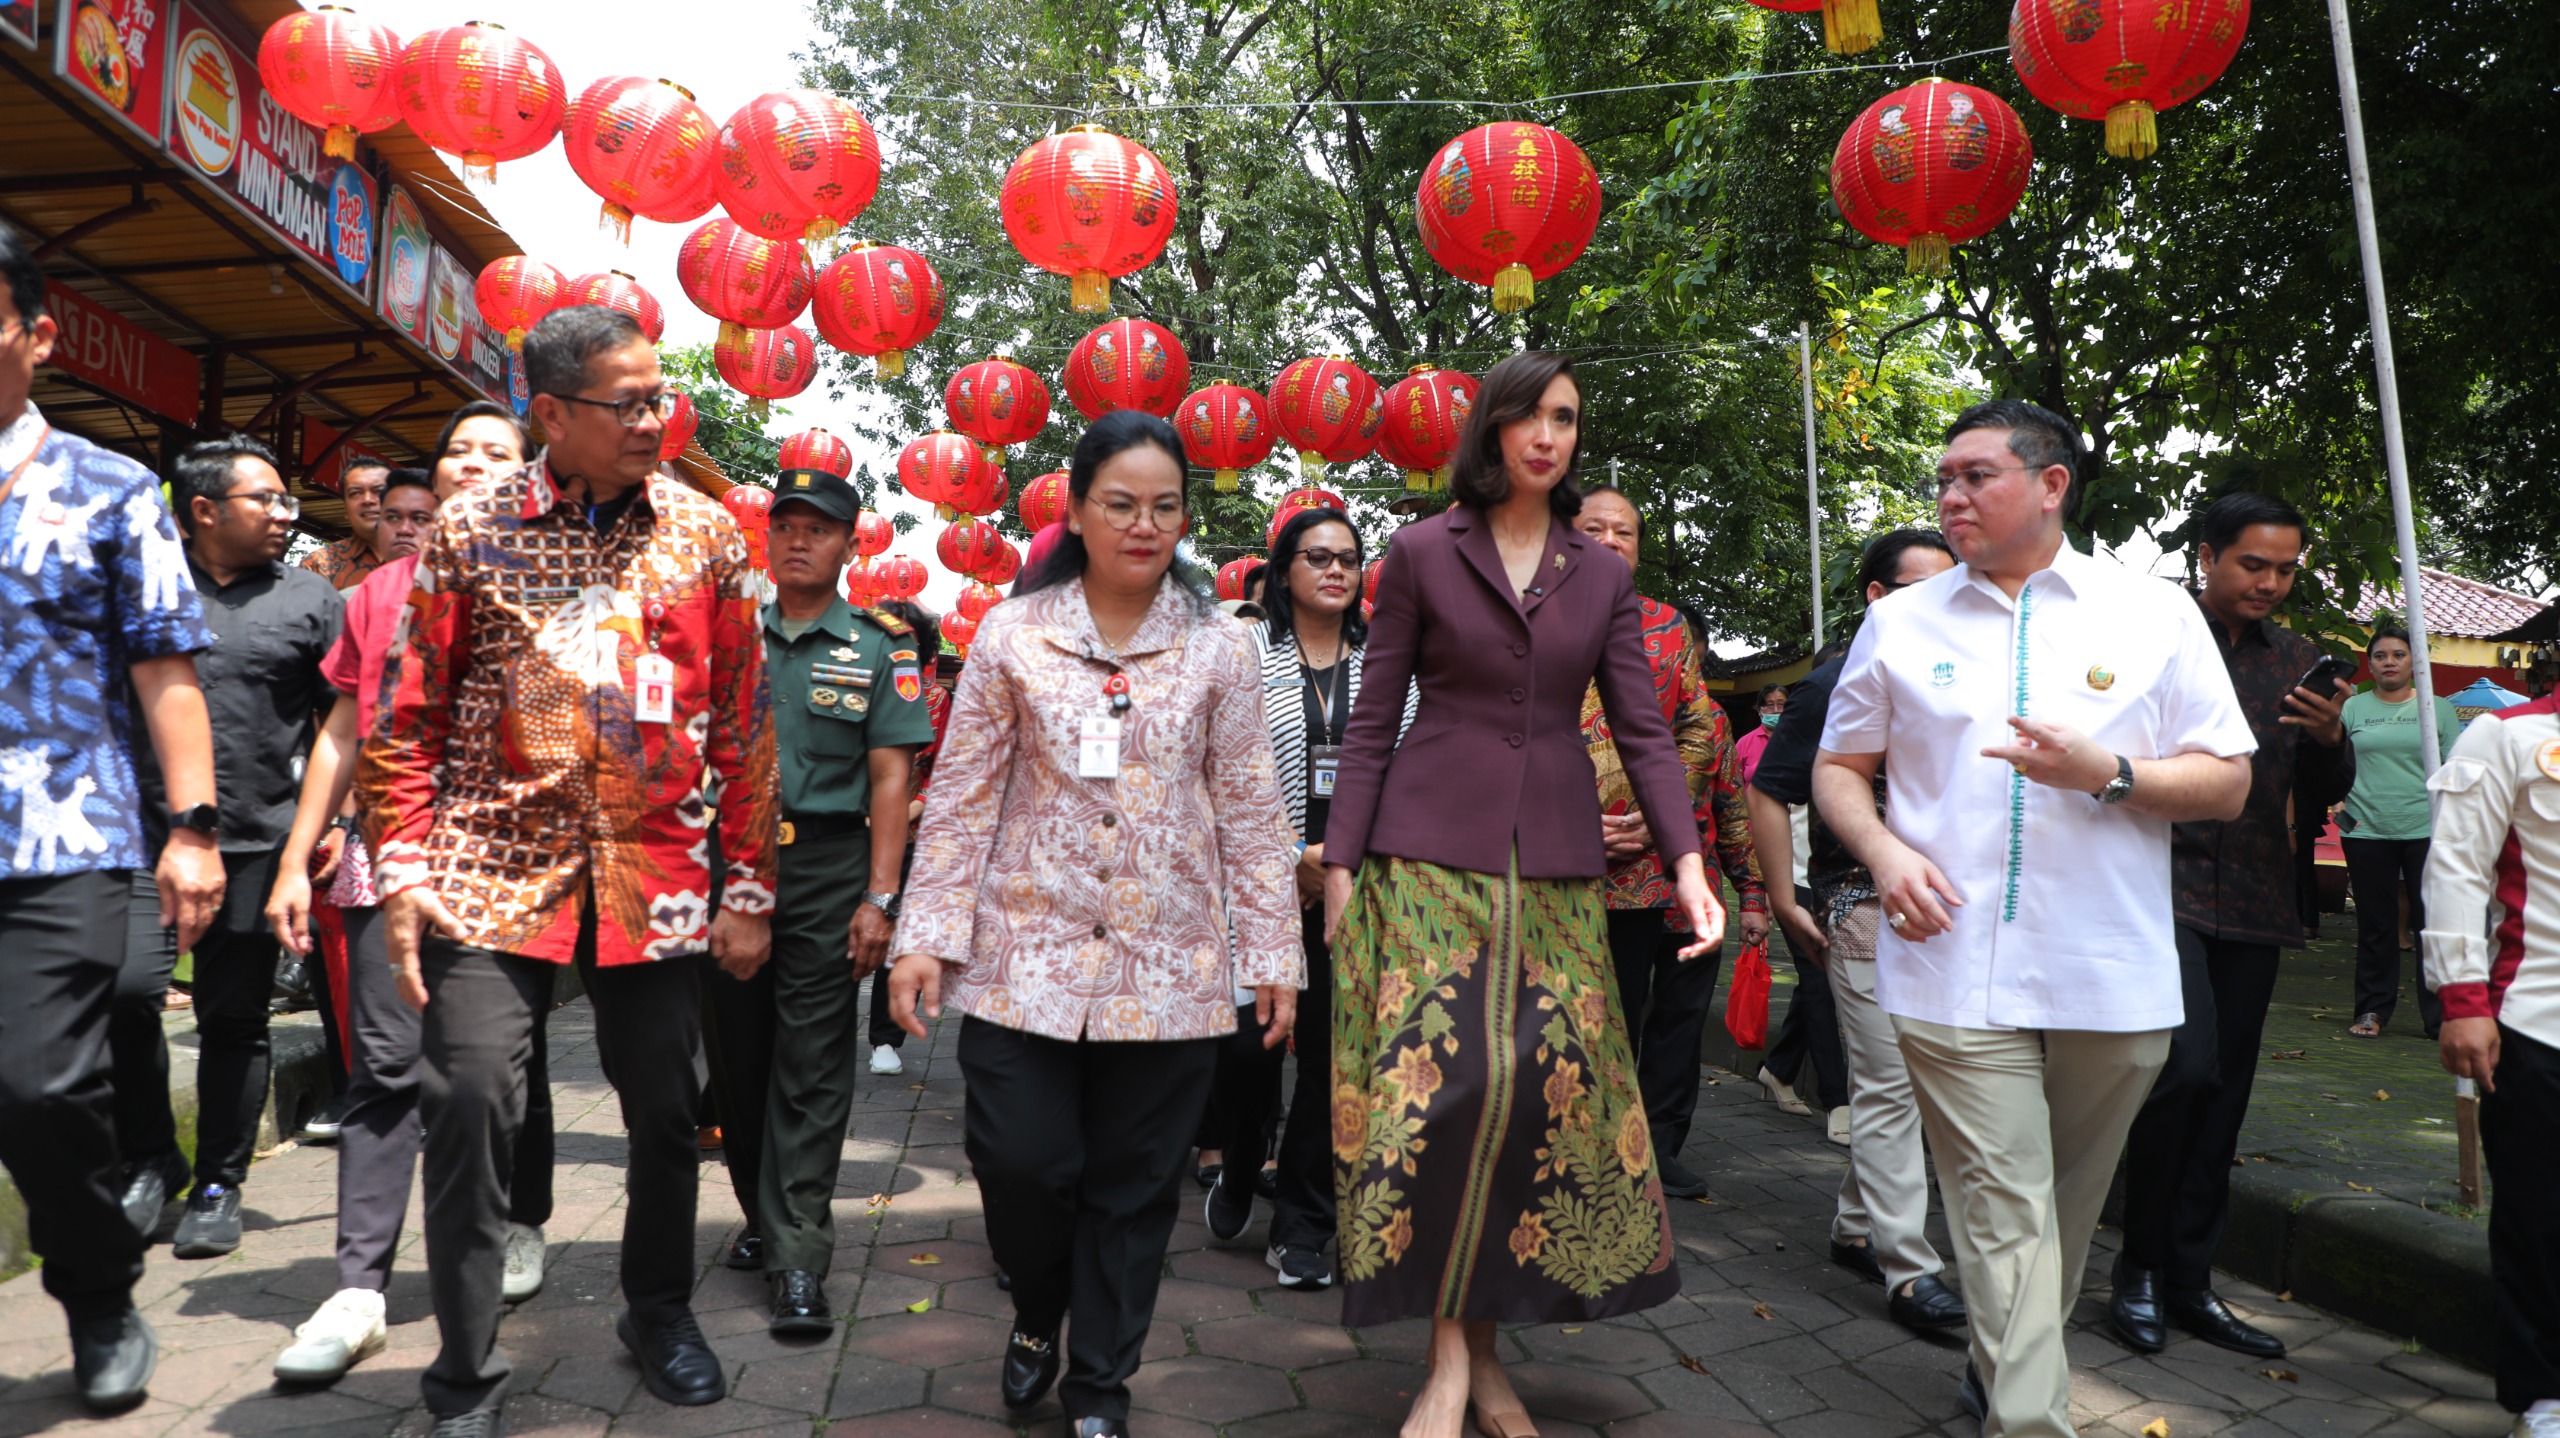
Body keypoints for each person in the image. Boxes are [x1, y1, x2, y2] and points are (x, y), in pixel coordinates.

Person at [358, 305, 777, 1433]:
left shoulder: (706, 534)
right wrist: (402, 867)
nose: (654, 419)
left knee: (663, 1112)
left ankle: (658, 1310)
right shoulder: (469, 530)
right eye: (627, 402)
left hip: (657, 866)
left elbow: (742, 720)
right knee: (469, 1100)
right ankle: (463, 1371)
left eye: (660, 395)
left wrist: (748, 887)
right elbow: (404, 716)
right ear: (549, 412)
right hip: (491, 867)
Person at [1812, 399, 2254, 1438]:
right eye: (1943, 480)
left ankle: (1996, 1363)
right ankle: (2027, 1419)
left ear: (2050, 484)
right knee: (2005, 1206)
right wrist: (1882, 851)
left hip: (2110, 964)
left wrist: (2108, 772)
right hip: (1945, 958)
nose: (1949, 497)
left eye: (1974, 475)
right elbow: (1838, 767)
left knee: (2054, 1204)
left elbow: (2228, 782)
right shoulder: (1899, 620)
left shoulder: (2149, 612)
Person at [1321, 353, 1724, 1438]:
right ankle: (1451, 1365)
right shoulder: (1416, 552)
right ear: (1490, 428)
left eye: (1566, 418)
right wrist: (1340, 864)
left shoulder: (1598, 574)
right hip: (1422, 856)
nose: (1548, 435)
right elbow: (1373, 720)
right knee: (1441, 1101)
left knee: (1528, 1107)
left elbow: (1643, 728)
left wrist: (1688, 866)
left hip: (1553, 864)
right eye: (1528, 415)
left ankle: (1482, 1361)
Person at [886, 409, 1301, 1438]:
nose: (1142, 523)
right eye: (1119, 503)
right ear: (1074, 510)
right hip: (1020, 959)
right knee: (1022, 1162)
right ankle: (1037, 1308)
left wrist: (1274, 950)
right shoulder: (1012, 635)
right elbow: (964, 797)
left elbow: (1251, 811)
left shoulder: (1219, 650)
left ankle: (1100, 1388)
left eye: (1164, 506)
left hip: (1171, 970)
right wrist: (922, 934)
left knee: (1133, 1189)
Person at [263, 457, 560, 1384]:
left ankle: (513, 1225)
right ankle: (359, 1289)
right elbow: (342, 732)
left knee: (492, 1078)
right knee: (383, 1072)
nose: (422, 522)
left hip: (506, 873)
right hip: (385, 862)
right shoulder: (371, 599)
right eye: (413, 505)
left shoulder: (550, 579)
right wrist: (296, 853)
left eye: (490, 469)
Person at [0, 222, 221, 1413]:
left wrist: (191, 824)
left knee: (37, 1088)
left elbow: (165, 670)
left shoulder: (111, 488)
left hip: (63, 836)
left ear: (35, 335)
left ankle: (95, 1287)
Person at [2111, 493, 2356, 1359]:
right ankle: (2134, 1269)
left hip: (2256, 900)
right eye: (2254, 564)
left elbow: (2323, 791)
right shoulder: (2151, 642)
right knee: (2181, 1069)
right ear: (2206, 557)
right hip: (2155, 887)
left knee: (2224, 1096)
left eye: (2286, 569)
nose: (2271, 582)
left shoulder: (2298, 660)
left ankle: (2189, 1282)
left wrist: (2331, 740)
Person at [113, 437, 343, 1262]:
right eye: (268, 500)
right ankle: (148, 1155)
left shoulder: (310, 600)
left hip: (256, 840)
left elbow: (339, 728)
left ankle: (217, 1182)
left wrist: (330, 829)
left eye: (288, 502)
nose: (287, 514)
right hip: (137, 838)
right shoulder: (143, 586)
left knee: (233, 1019)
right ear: (204, 509)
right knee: (125, 993)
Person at [1749, 528, 1968, 1336]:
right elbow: (1769, 790)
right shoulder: (1836, 679)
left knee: (1912, 1081)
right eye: (1919, 589)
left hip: (1951, 907)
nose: (1942, 604)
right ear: (1877, 597)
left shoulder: (1965, 675)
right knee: (1888, 1083)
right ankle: (1910, 1270)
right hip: (1860, 903)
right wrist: (1782, 895)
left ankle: (1853, 1227)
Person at [1202, 506, 1414, 1289]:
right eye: (1317, 556)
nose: (1335, 569)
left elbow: (1407, 770)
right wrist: (1287, 855)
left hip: (1351, 885)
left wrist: (1343, 861)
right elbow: (1210, 767)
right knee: (1245, 1051)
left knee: (1331, 1058)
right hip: (1255, 879)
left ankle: (1302, 1225)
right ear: (1282, 569)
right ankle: (1237, 1160)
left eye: (1349, 559)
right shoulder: (1242, 652)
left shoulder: (1389, 661)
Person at [744, 463, 933, 1334]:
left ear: (849, 546)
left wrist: (880, 899)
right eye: (786, 524)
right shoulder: (731, 634)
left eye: (817, 527)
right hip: (734, 868)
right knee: (736, 1064)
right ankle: (763, 1214)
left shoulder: (877, 645)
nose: (797, 539)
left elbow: (891, 780)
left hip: (827, 868)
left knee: (813, 1064)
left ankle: (799, 1254)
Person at [1571, 483, 1767, 1200]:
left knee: (1677, 1027)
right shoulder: (1531, 614)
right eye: (1595, 528)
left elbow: (1696, 729)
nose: (1611, 541)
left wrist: (1659, 817)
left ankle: (1657, 1149)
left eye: (1624, 532)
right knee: (1599, 1019)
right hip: (1574, 867)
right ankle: (1590, 1148)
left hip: (1672, 870)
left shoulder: (1664, 627)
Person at [2419, 689, 2560, 1438]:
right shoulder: (2505, 736)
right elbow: (2458, 871)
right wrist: (2463, 1000)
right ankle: (2543, 1398)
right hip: (2537, 1019)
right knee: (2539, 1216)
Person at [2339, 622, 2458, 1038]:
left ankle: (2440, 1019)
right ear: (2369, 664)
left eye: (2398, 655)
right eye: (2380, 655)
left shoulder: (2436, 708)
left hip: (2427, 828)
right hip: (2365, 830)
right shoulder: (2351, 706)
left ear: (2414, 662)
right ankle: (2372, 1011)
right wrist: (2340, 809)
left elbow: (2455, 771)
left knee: (2433, 922)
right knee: (2375, 923)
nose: (2389, 662)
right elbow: (2332, 763)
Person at [867, 595, 949, 1077]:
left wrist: (904, 813)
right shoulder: (851, 687)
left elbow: (944, 774)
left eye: (906, 638)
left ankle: (886, 1037)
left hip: (911, 832)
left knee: (895, 931)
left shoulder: (934, 698)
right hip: (847, 828)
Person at [301, 457, 391, 590]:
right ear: (345, 508)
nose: (367, 500)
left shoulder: (425, 557)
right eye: (355, 493)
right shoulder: (319, 563)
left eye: (378, 491)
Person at [1735, 684, 1786, 784]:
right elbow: (1733, 784)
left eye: (1781, 704)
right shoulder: (1744, 743)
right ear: (1759, 710)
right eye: (1770, 705)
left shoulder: (1799, 740)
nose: (1776, 710)